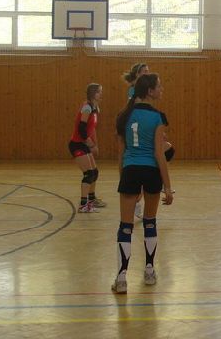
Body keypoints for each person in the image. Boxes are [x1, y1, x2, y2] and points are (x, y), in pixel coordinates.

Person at [112, 73, 174, 294]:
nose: (161, 89)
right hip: (151, 172)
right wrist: (167, 187)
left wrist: (125, 179)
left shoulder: (123, 116)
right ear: (149, 91)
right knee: (150, 222)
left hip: (130, 170)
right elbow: (159, 154)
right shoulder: (158, 117)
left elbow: (121, 154)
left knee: (125, 226)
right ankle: (149, 271)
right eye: (159, 86)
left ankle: (121, 278)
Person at [68, 83, 105, 213]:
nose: (101, 94)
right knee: (88, 174)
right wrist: (90, 144)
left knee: (94, 172)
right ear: (93, 93)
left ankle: (91, 200)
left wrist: (95, 144)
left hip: (84, 144)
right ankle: (83, 205)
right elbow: (82, 129)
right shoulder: (87, 107)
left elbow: (92, 129)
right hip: (77, 144)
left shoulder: (95, 108)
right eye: (99, 91)